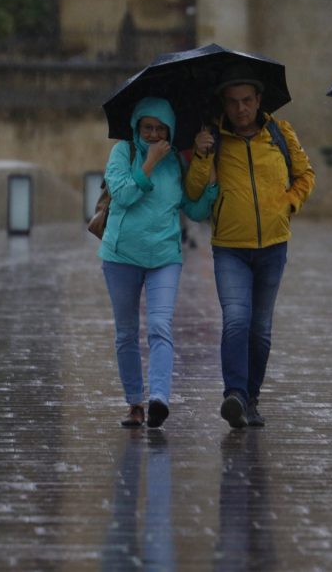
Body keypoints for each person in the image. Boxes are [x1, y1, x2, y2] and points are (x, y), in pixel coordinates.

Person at [186, 64, 315, 429]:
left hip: (274, 245)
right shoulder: (213, 138)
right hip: (230, 246)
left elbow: (306, 175)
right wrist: (200, 155)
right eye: (233, 103)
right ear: (223, 106)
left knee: (260, 329)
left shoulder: (280, 132)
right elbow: (194, 192)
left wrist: (288, 204)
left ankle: (251, 398)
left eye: (247, 101)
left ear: (259, 100)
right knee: (236, 320)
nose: (241, 109)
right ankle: (236, 395)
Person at [100, 97, 219, 428]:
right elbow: (122, 194)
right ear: (137, 128)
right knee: (126, 332)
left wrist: (209, 186)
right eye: (147, 127)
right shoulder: (123, 153)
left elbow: (192, 211)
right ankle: (135, 402)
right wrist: (148, 163)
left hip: (164, 256)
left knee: (160, 326)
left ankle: (159, 399)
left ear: (170, 130)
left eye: (160, 128)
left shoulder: (176, 163)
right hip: (121, 255)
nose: (153, 134)